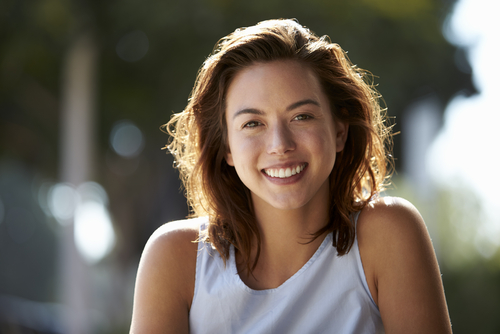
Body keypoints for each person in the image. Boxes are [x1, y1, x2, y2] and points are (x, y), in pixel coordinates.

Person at [130, 19, 452, 334]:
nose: (280, 145)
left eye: (302, 116)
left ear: (339, 131)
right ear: (226, 146)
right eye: (253, 123)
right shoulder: (176, 258)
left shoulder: (387, 235)